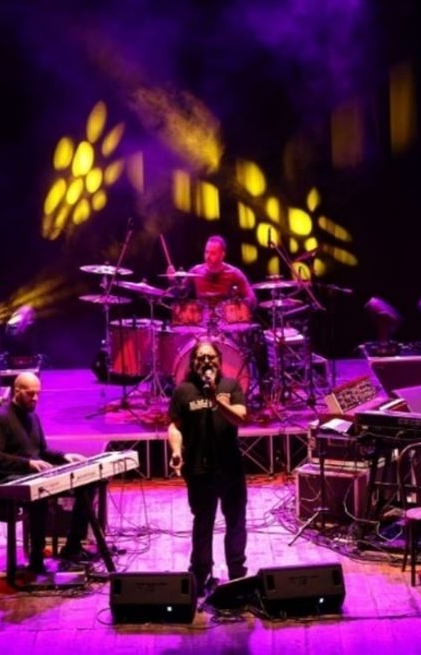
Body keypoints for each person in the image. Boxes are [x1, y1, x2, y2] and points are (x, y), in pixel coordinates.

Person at [0, 372, 98, 573]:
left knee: (88, 484)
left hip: (31, 475)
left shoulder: (33, 416)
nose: (35, 398)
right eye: (30, 394)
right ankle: (36, 559)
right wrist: (28, 463)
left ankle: (72, 547)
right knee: (40, 496)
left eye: (38, 393)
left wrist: (65, 456)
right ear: (17, 391)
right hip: (7, 478)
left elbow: (42, 451)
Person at [167, 338, 248, 593]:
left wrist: (216, 399)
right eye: (200, 357)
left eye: (210, 357)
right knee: (203, 522)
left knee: (236, 521)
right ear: (192, 363)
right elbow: (174, 426)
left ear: (219, 361)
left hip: (230, 467)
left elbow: (241, 417)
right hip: (198, 469)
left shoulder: (230, 386)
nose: (206, 361)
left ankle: (237, 574)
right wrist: (176, 451)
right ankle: (200, 574)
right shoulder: (183, 391)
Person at [171, 235, 256, 309]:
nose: (208, 256)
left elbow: (251, 297)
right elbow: (179, 294)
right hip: (202, 320)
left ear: (222, 255)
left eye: (213, 253)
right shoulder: (196, 271)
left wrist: (244, 305)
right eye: (206, 252)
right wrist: (172, 280)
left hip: (225, 320)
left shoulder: (234, 273)